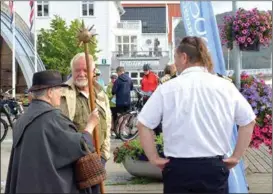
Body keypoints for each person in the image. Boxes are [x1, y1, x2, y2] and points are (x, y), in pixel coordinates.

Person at [137, 36, 256, 194]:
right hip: (213, 169)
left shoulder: (167, 88)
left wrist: (153, 158)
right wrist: (236, 157)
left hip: (178, 170)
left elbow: (144, 124)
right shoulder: (225, 86)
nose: (175, 64)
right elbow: (248, 121)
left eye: (175, 58)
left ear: (184, 57)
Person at [5, 70, 99, 193]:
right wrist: (90, 125)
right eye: (59, 89)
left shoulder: (22, 119)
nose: (61, 93)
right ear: (50, 92)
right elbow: (81, 145)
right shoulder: (53, 119)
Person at [59, 52, 111, 194]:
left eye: (85, 70)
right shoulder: (63, 93)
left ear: (93, 72)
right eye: (77, 70)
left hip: (98, 161)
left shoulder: (100, 94)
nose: (81, 74)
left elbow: (107, 125)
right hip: (74, 164)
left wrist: (104, 155)